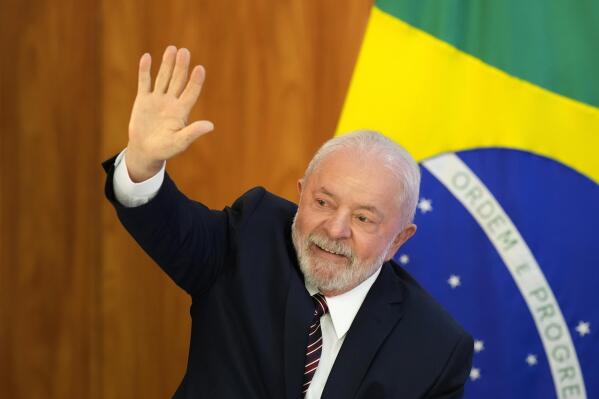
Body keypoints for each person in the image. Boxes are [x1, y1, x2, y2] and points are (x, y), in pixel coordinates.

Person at [103, 46, 473, 399]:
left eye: (363, 218)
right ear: (300, 195)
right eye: (323, 202)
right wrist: (143, 164)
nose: (335, 229)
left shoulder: (435, 347)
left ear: (398, 239)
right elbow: (169, 225)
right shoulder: (251, 238)